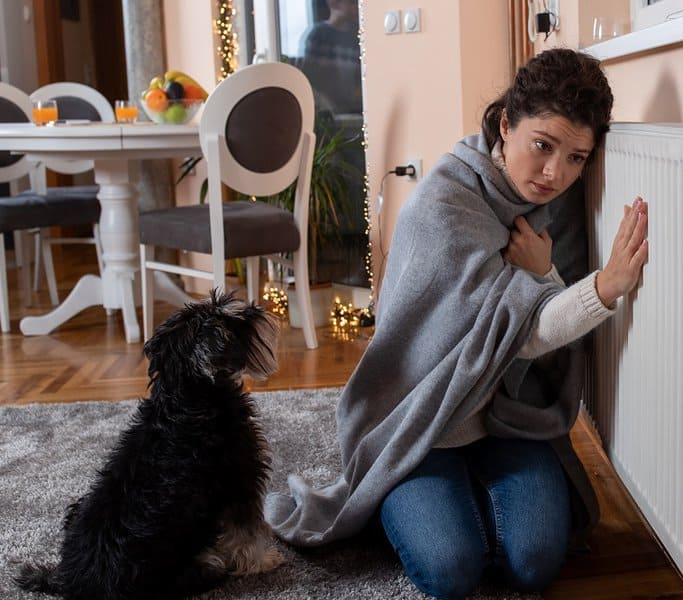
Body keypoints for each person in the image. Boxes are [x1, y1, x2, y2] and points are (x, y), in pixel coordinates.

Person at [265, 48, 649, 599]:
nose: (554, 173)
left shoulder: (535, 209)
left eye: (576, 158)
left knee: (535, 564)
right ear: (505, 124)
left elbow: (523, 332)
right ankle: (399, 495)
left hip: (503, 419)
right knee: (451, 571)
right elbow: (529, 327)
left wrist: (542, 277)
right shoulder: (445, 207)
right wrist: (604, 287)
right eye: (543, 146)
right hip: (423, 427)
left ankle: (462, 499)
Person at [297, 0, 362, 115]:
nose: (356, 7)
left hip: (351, 112)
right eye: (352, 2)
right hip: (325, 112)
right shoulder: (318, 35)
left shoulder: (357, 37)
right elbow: (308, 79)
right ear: (334, 3)